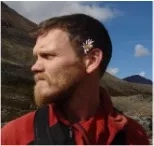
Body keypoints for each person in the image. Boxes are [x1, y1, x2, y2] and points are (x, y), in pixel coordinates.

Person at [1, 13, 149, 145]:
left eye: (48, 56)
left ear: (91, 60)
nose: (34, 67)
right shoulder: (13, 137)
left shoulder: (134, 137)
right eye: (37, 57)